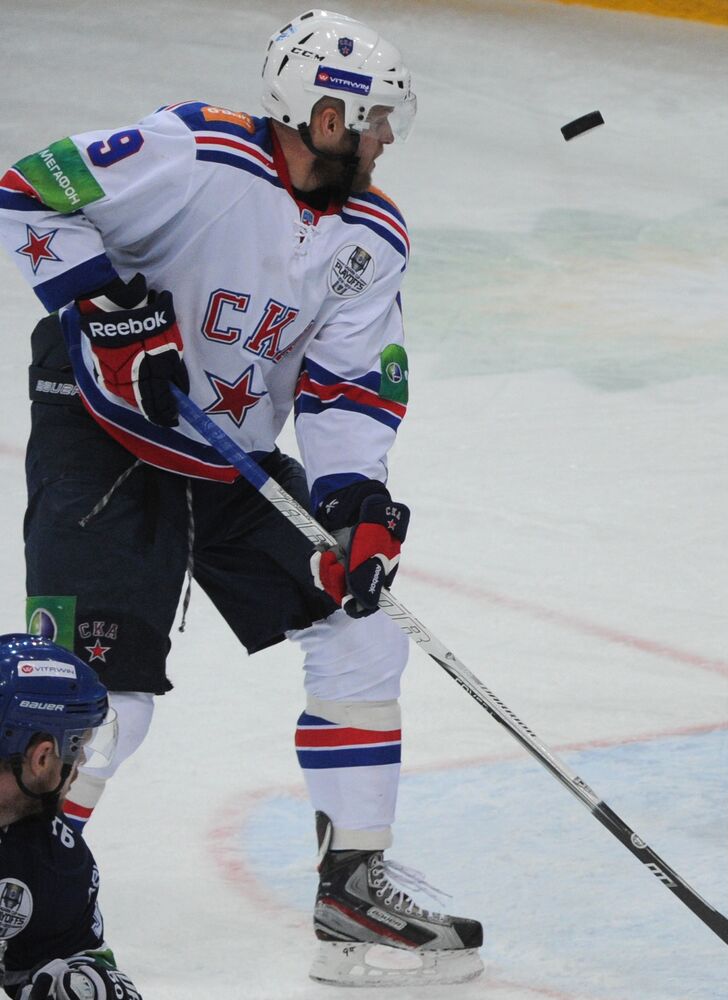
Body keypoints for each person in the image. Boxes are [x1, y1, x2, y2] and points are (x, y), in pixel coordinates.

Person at [0, 9, 482, 987]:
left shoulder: (371, 234)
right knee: (98, 706)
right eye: (377, 118)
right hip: (104, 440)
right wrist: (106, 305)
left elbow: (349, 386)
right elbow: (25, 191)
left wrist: (354, 504)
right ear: (325, 114)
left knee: (362, 628)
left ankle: (352, 884)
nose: (388, 137)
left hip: (232, 463)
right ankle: (16, 891)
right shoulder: (194, 152)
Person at [0, 634, 141, 1000]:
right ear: (43, 757)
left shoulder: (53, 861)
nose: (78, 767)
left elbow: (61, 954)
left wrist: (85, 981)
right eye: (77, 748)